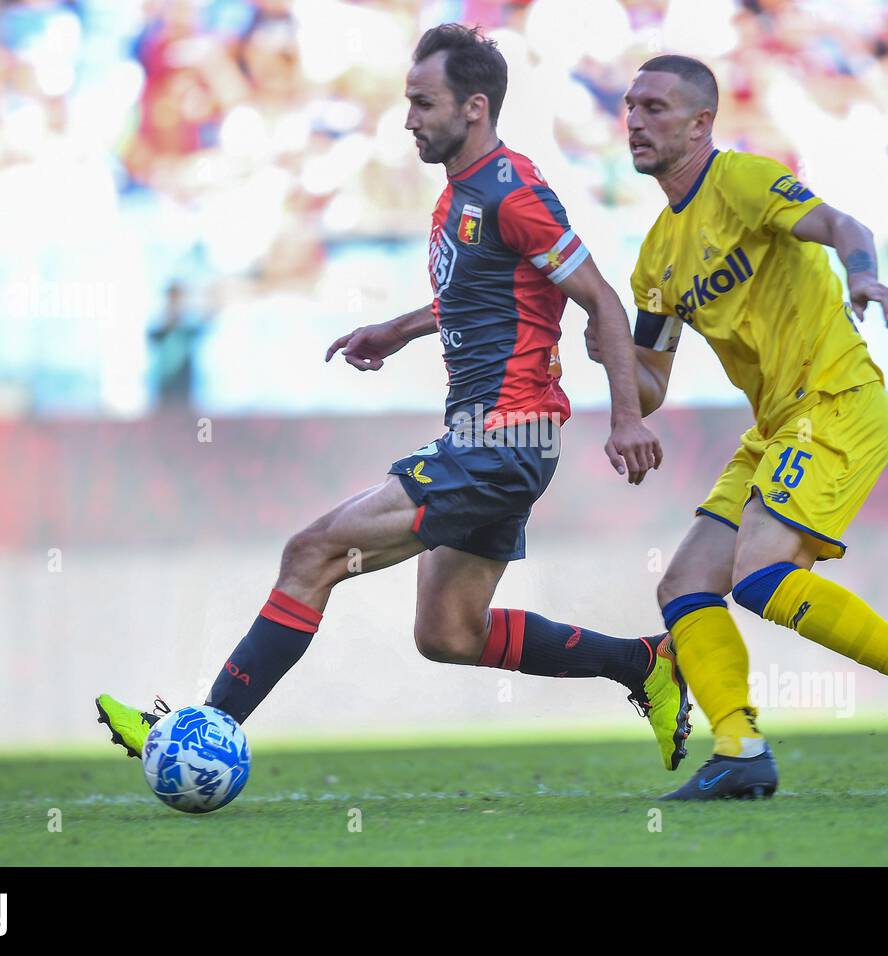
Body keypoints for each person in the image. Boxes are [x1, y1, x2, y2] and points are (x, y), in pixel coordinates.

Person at [96, 25, 694, 773]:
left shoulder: (515, 192)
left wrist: (628, 421)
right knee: (448, 633)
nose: (408, 118)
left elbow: (600, 298)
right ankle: (644, 662)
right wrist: (399, 329)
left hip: (499, 443)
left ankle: (197, 735)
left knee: (312, 553)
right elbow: (484, 298)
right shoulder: (462, 199)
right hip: (496, 441)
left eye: (422, 102)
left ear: (474, 108)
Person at [588, 54, 888, 799]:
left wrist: (863, 274)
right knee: (684, 585)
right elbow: (650, 386)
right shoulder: (655, 256)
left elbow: (844, 223)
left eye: (654, 108)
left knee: (763, 571)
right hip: (779, 426)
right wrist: (613, 355)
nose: (635, 122)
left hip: (836, 399)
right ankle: (740, 751)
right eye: (630, 107)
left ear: (700, 122)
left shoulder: (740, 180)